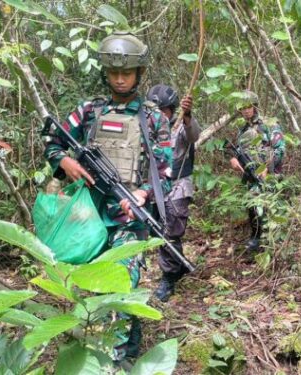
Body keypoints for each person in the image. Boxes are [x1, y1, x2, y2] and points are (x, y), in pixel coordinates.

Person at [43, 32, 172, 359]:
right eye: (113, 73)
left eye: (126, 73)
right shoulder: (88, 111)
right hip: (89, 217)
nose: (119, 79)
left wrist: (142, 195)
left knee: (118, 282)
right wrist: (65, 162)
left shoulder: (154, 118)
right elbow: (53, 142)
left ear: (138, 73)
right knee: (105, 286)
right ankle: (127, 353)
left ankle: (109, 359)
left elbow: (165, 174)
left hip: (129, 219)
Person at [146, 84, 201, 302]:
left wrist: (187, 116)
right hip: (154, 186)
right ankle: (178, 264)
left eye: (164, 110)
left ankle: (168, 277)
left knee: (171, 231)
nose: (160, 115)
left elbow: (194, 135)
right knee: (155, 230)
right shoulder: (146, 126)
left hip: (177, 184)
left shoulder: (179, 127)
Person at [228, 90, 285, 252]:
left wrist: (267, 167)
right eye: (242, 107)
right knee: (253, 206)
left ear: (255, 106)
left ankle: (273, 242)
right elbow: (237, 149)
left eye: (248, 106)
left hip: (269, 174)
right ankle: (256, 238)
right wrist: (233, 159)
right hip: (251, 174)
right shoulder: (243, 128)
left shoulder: (269, 124)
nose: (246, 110)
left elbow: (280, 149)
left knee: (270, 206)